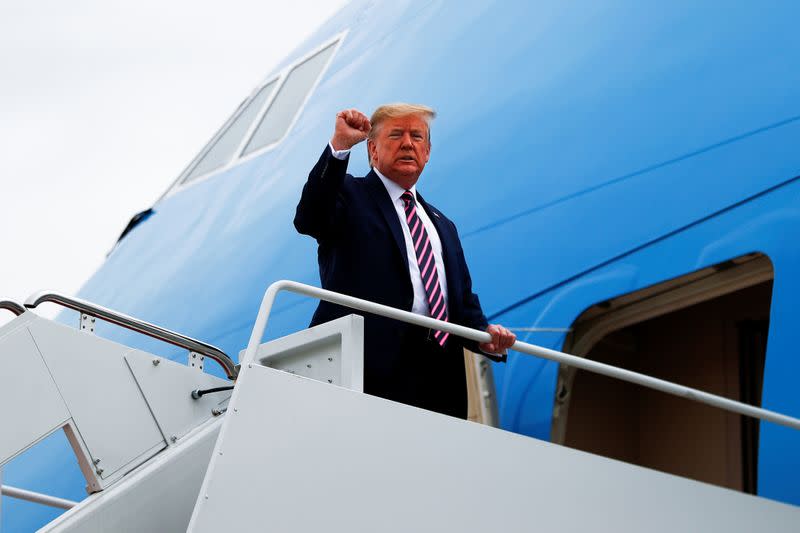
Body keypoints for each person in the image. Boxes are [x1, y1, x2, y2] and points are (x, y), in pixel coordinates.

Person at [294, 103, 515, 419]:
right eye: (396, 135)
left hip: (439, 373)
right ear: (373, 150)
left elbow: (461, 304)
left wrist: (486, 337)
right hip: (367, 364)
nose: (408, 143)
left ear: (427, 152)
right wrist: (340, 147)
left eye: (417, 136)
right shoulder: (349, 194)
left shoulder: (443, 225)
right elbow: (309, 217)